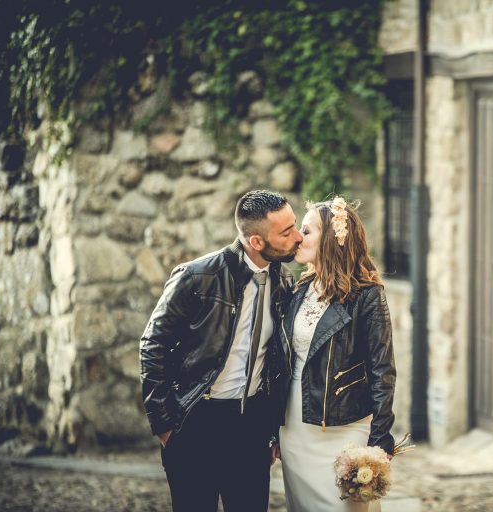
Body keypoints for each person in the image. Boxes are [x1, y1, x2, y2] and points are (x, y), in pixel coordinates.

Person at [139, 190, 303, 512]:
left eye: (294, 225)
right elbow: (152, 343)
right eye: (286, 232)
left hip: (251, 427)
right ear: (256, 242)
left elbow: (276, 363)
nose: (297, 237)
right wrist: (164, 424)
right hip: (195, 422)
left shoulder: (284, 282)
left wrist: (270, 429)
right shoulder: (197, 276)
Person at [277, 196, 396, 512]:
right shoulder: (297, 290)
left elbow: (383, 370)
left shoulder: (367, 296)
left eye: (307, 230)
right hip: (294, 428)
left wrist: (380, 438)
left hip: (345, 429)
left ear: (332, 238)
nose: (299, 237)